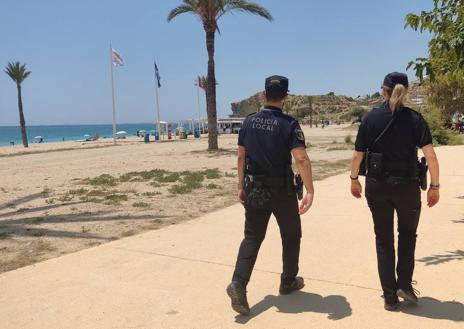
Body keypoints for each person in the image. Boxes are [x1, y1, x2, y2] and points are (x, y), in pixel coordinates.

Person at [350, 72, 440, 311]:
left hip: (377, 187)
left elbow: (358, 155)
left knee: (383, 240)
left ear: (384, 90)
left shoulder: (370, 119)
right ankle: (404, 286)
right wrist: (434, 186)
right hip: (407, 187)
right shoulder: (415, 119)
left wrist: (353, 180)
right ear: (406, 91)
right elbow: (430, 155)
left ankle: (390, 297)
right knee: (408, 235)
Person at [226, 75, 315, 316]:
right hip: (282, 191)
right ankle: (288, 280)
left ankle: (238, 283)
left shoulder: (248, 122)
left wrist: (240, 185)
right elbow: (301, 159)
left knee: (252, 237)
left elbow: (241, 157)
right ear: (286, 97)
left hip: (254, 188)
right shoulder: (289, 124)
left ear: (263, 95)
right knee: (291, 234)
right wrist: (309, 190)